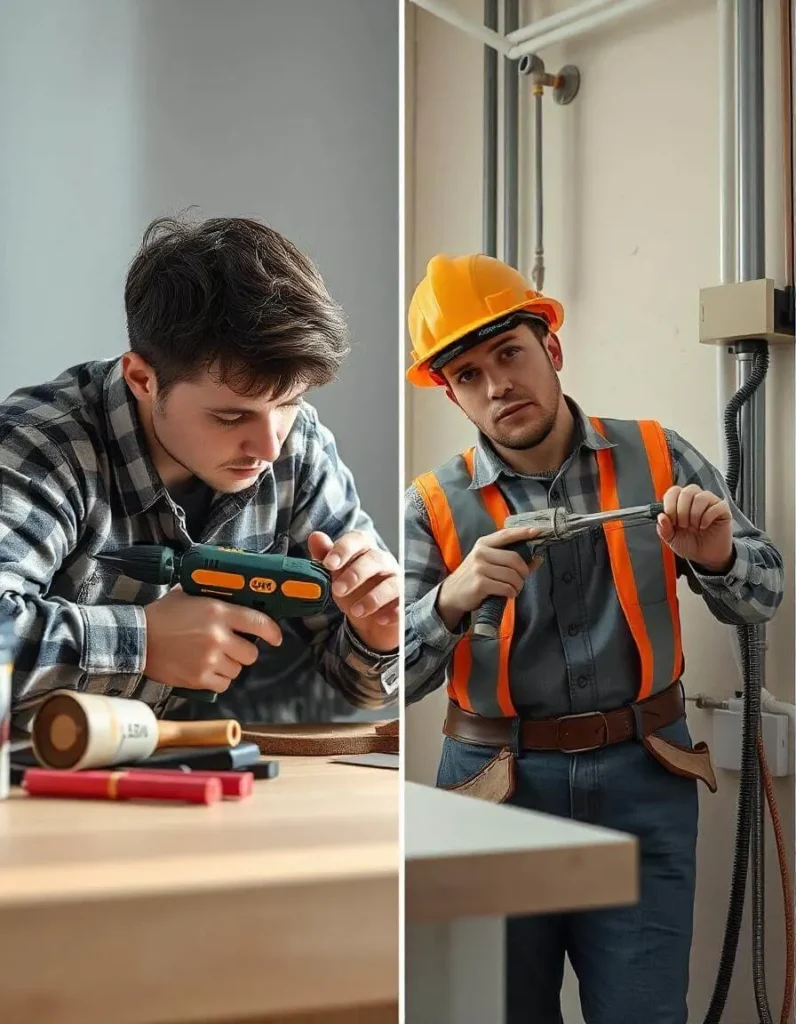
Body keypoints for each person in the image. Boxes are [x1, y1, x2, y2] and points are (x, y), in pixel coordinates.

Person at [403, 253, 784, 1024]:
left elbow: (766, 591)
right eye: (469, 374)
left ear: (552, 347)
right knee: (493, 1013)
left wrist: (714, 557)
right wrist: (451, 598)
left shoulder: (658, 456)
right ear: (450, 392)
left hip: (645, 779)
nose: (497, 385)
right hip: (492, 793)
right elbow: (384, 677)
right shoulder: (434, 506)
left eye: (509, 353)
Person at [0, 214, 399, 731]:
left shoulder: (298, 446)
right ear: (142, 378)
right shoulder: (41, 446)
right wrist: (140, 642)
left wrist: (379, 634)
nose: (269, 445)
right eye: (230, 416)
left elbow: (361, 689)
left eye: (289, 403)